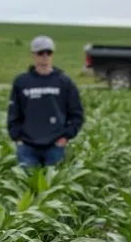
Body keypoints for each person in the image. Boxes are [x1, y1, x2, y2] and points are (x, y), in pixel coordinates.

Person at [7, 35, 85, 168]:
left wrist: (65, 137)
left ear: (52, 54)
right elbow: (14, 113)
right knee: (28, 186)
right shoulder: (21, 82)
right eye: (40, 52)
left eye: (48, 52)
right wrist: (18, 138)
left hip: (55, 146)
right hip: (27, 147)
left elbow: (77, 113)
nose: (45, 56)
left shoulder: (64, 82)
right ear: (33, 54)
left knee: (54, 186)